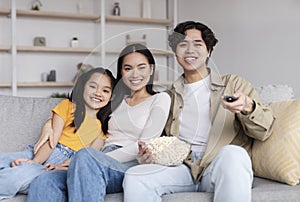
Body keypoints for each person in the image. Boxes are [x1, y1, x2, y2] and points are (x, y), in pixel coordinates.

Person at [122, 21, 275, 202]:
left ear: (209, 51)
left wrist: (248, 107)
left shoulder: (233, 84)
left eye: (197, 44)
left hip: (218, 165)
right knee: (135, 176)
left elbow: (265, 130)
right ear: (176, 52)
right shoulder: (167, 96)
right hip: (182, 168)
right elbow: (160, 139)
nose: (189, 50)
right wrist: (148, 154)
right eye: (183, 44)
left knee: (234, 154)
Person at [27, 43, 171, 202]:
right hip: (92, 159)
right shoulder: (113, 99)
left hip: (128, 164)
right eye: (128, 68)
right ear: (121, 73)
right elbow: (80, 111)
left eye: (141, 67)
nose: (134, 74)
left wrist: (91, 158)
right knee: (45, 181)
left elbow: (146, 143)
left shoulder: (160, 99)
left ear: (151, 70)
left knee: (85, 156)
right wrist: (49, 124)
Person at [0, 67, 115, 200]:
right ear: (83, 87)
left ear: (111, 96)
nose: (98, 93)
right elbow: (51, 139)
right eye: (93, 86)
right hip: (41, 151)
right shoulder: (68, 106)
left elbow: (89, 156)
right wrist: (33, 161)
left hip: (62, 164)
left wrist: (61, 167)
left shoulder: (104, 126)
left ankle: (23, 177)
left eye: (105, 90)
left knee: (14, 177)